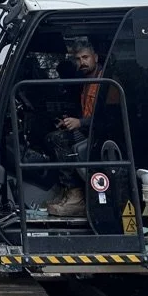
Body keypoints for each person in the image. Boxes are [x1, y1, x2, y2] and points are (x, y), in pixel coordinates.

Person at [44, 36, 103, 217]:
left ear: (96, 58)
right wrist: (71, 121)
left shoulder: (106, 82)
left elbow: (107, 117)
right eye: (78, 59)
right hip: (88, 129)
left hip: (100, 134)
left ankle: (76, 195)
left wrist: (80, 123)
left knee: (58, 139)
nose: (82, 62)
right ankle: (67, 192)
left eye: (85, 58)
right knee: (52, 136)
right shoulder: (86, 82)